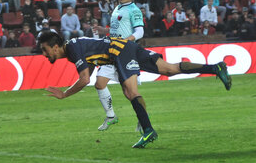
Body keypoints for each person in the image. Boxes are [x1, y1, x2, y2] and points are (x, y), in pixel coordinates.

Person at [38, 31, 231, 148]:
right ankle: (215, 67)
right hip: (125, 47)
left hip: (120, 51)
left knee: (130, 92)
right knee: (170, 69)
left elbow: (84, 79)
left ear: (56, 47)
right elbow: (87, 72)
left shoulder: (72, 49)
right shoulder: (75, 47)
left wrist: (64, 94)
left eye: (45, 50)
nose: (45, 54)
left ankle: (148, 130)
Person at [94, 0, 144, 132]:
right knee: (99, 83)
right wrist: (104, 30)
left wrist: (125, 42)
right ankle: (111, 116)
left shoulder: (134, 10)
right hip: (112, 51)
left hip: (126, 54)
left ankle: (142, 119)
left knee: (130, 93)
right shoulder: (117, 8)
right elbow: (116, 30)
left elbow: (140, 31)